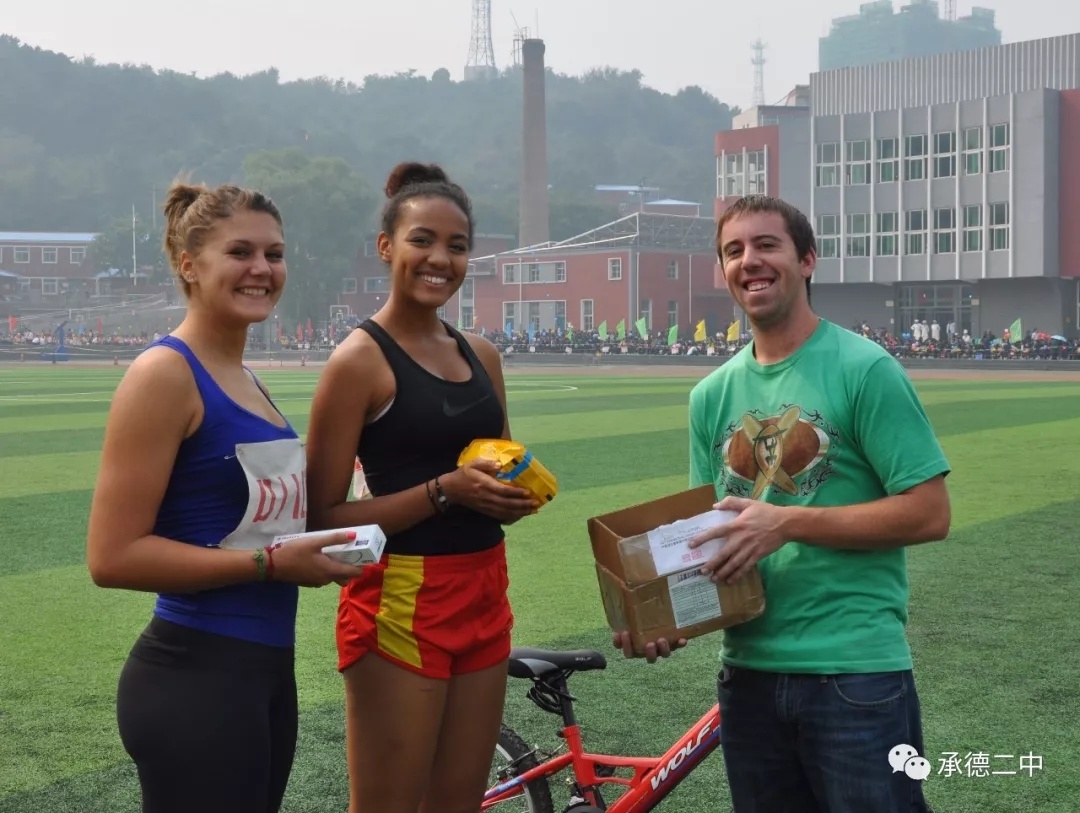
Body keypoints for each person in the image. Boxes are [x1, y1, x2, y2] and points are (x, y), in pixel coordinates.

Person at [613, 194, 951, 813]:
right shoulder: (710, 394)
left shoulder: (865, 369)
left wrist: (787, 522)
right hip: (747, 678)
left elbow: (930, 512)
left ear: (807, 260)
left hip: (854, 675)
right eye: (733, 250)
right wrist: (659, 617)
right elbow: (709, 536)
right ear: (723, 271)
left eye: (767, 245)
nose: (750, 260)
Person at [86, 179, 364, 813]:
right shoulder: (164, 374)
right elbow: (112, 557)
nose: (262, 268)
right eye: (240, 252)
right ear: (189, 264)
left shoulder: (244, 377)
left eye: (274, 253)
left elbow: (249, 521)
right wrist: (270, 564)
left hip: (263, 671)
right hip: (195, 674)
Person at [304, 162, 538, 813]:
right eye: (422, 240)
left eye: (457, 245)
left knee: (459, 803)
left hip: (485, 589)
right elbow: (321, 517)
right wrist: (445, 491)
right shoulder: (359, 361)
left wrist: (510, 494)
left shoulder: (480, 353)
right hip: (401, 599)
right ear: (386, 247)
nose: (440, 258)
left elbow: (498, 464)